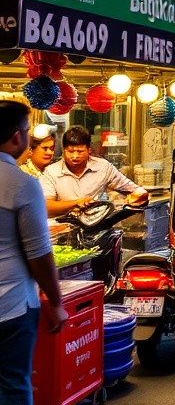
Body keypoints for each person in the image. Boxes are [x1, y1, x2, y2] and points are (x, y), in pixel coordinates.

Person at [0, 101, 67, 405]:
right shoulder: (21, 183)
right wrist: (56, 302)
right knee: (13, 386)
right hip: (10, 306)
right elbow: (39, 252)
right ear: (17, 137)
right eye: (27, 131)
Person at [40, 125, 149, 217]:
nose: (75, 156)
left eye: (80, 151)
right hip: (64, 228)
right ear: (64, 150)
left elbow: (135, 190)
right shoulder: (51, 172)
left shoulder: (103, 167)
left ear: (89, 150)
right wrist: (78, 203)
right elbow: (47, 207)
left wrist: (130, 200)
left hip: (97, 225)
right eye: (70, 151)